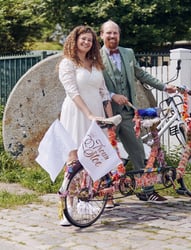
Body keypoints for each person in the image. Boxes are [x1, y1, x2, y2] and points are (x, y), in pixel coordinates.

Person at [99, 20, 176, 203]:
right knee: (104, 155)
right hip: (105, 113)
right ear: (101, 35)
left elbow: (141, 74)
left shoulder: (128, 53)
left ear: (119, 35)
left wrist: (164, 87)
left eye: (115, 33)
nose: (112, 36)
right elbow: (93, 83)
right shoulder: (95, 56)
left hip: (126, 113)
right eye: (108, 33)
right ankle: (106, 195)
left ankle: (146, 190)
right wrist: (112, 95)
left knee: (139, 152)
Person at [57, 25, 116, 226]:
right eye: (83, 39)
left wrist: (110, 119)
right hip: (76, 114)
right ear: (75, 40)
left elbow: (104, 93)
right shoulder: (68, 64)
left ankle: (85, 200)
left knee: (91, 159)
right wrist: (88, 113)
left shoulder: (95, 64)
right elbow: (72, 92)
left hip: (96, 114)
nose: (86, 42)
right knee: (74, 161)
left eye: (90, 40)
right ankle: (67, 208)